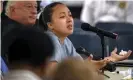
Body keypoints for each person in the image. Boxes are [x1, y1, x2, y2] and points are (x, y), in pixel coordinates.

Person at [39, 2, 132, 77]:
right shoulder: (52, 40)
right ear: (50, 25)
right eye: (62, 17)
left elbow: (83, 66)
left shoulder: (66, 41)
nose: (69, 19)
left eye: (70, 15)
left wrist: (111, 59)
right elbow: (53, 73)